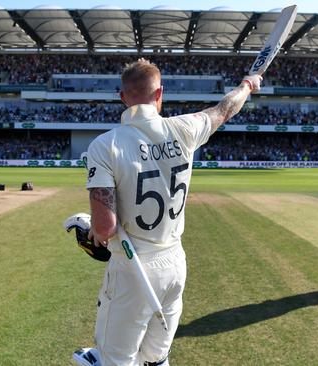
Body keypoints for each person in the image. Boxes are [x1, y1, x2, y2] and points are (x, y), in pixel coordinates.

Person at [78, 59, 262, 365]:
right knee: (156, 357)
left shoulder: (105, 145)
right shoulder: (185, 128)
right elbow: (225, 109)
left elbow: (105, 228)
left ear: (122, 97)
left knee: (116, 360)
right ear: (159, 93)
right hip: (175, 263)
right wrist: (247, 85)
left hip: (134, 267)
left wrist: (90, 235)